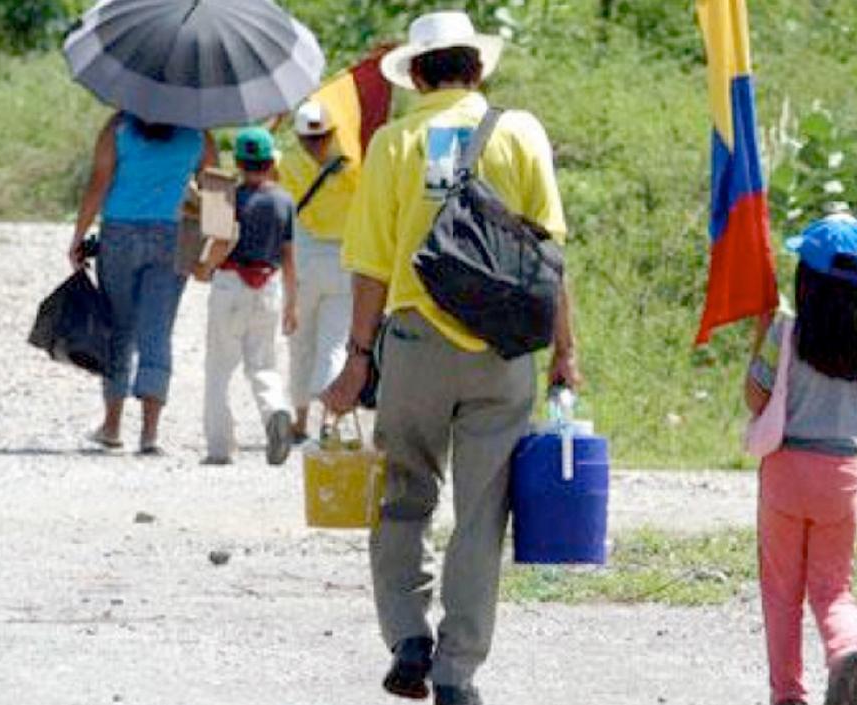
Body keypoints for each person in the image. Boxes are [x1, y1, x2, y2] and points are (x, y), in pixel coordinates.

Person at [320, 10, 581, 705]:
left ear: (419, 73)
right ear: (477, 67)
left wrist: (355, 358)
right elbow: (548, 252)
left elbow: (371, 263)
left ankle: (408, 635)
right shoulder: (520, 132)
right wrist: (566, 352)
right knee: (481, 513)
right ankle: (457, 671)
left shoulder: (393, 143)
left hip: (412, 346)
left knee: (403, 494)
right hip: (501, 350)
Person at [745, 214, 857, 705]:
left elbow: (756, 400)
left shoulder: (787, 331)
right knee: (833, 587)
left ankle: (788, 695)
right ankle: (846, 653)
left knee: (782, 592)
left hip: (786, 470)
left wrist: (760, 339)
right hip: (841, 476)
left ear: (806, 279)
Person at [69, 112, 215, 454]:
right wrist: (214, 252)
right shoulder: (197, 134)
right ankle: (150, 434)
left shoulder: (117, 128)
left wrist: (78, 235)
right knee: (158, 330)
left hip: (119, 232)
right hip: (173, 235)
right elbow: (218, 192)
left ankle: (112, 425)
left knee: (119, 328)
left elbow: (98, 183)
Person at [196, 127, 297, 466]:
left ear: (238, 162)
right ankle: (276, 411)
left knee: (219, 368)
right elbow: (289, 256)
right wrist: (292, 304)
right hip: (268, 286)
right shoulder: (284, 200)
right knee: (263, 364)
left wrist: (204, 268)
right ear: (271, 163)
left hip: (230, 284)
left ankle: (220, 447)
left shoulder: (225, 196)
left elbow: (222, 242)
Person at [280, 101, 360, 443]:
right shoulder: (354, 166)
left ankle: (299, 420)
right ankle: (329, 421)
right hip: (344, 259)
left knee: (301, 345)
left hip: (303, 258)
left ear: (298, 136)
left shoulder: (287, 163)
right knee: (334, 344)